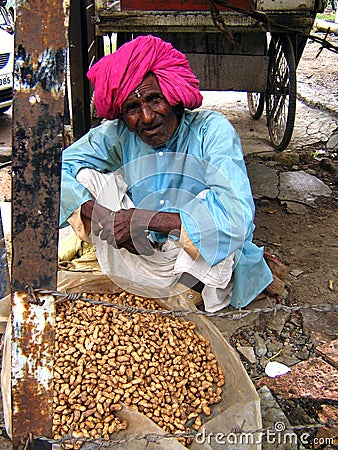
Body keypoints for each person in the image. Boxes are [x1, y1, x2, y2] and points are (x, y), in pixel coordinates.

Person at [60, 34, 273, 312]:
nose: (146, 117)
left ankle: (190, 291)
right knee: (85, 176)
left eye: (154, 99)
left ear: (173, 97)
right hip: (138, 250)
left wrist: (145, 219)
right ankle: (146, 282)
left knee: (217, 203)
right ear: (122, 115)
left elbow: (237, 219)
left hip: (195, 259)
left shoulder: (212, 130)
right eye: (133, 108)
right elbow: (59, 168)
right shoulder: (119, 133)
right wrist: (106, 218)